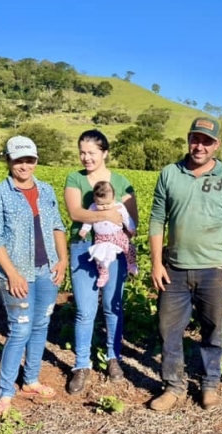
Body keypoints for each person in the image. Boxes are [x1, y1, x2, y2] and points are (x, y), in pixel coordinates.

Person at [148, 117, 222, 412]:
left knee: (212, 329)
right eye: (195, 139)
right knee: (169, 329)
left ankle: (210, 385)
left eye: (206, 141)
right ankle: (173, 386)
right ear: (188, 139)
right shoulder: (169, 173)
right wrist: (156, 263)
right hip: (174, 268)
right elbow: (157, 219)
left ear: (216, 145)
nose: (199, 146)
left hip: (212, 269)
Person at [0, 136, 67, 417]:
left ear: (36, 160)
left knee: (41, 325)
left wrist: (62, 260)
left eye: (29, 159)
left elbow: (57, 226)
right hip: (16, 274)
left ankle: (30, 380)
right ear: (8, 159)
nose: (24, 165)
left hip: (47, 271)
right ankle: (5, 393)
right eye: (18, 159)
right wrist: (12, 274)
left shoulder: (46, 190)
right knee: (19, 330)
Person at [64, 130, 138, 394]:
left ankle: (112, 357)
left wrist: (121, 226)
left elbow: (132, 223)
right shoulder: (75, 178)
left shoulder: (122, 181)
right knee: (85, 310)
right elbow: (75, 212)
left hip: (115, 247)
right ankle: (81, 364)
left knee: (112, 305)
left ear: (104, 152)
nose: (86, 158)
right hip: (84, 247)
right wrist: (107, 214)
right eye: (82, 152)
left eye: (92, 152)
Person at [78, 180, 138, 288]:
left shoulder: (119, 206)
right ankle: (104, 274)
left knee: (130, 248)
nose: (105, 207)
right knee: (99, 258)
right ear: (95, 200)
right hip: (101, 238)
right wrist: (84, 229)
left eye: (108, 203)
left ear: (114, 199)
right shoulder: (92, 207)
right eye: (100, 204)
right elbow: (88, 220)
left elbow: (126, 218)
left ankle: (131, 264)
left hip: (117, 235)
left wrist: (131, 228)